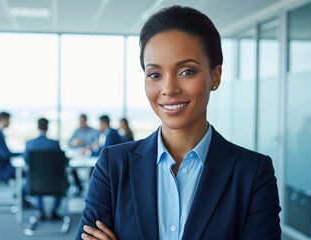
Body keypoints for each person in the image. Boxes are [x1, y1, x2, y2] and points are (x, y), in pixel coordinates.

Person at [77, 5, 281, 240]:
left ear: (215, 76)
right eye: (155, 74)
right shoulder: (114, 165)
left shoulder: (252, 173)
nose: (169, 88)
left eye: (186, 71)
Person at [23, 118, 63, 220]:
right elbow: (62, 161)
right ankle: (54, 210)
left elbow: (26, 159)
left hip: (35, 183)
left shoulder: (30, 143)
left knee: (37, 177)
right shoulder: (54, 143)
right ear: (48, 127)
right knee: (61, 180)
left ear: (37, 127)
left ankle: (41, 210)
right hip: (54, 183)